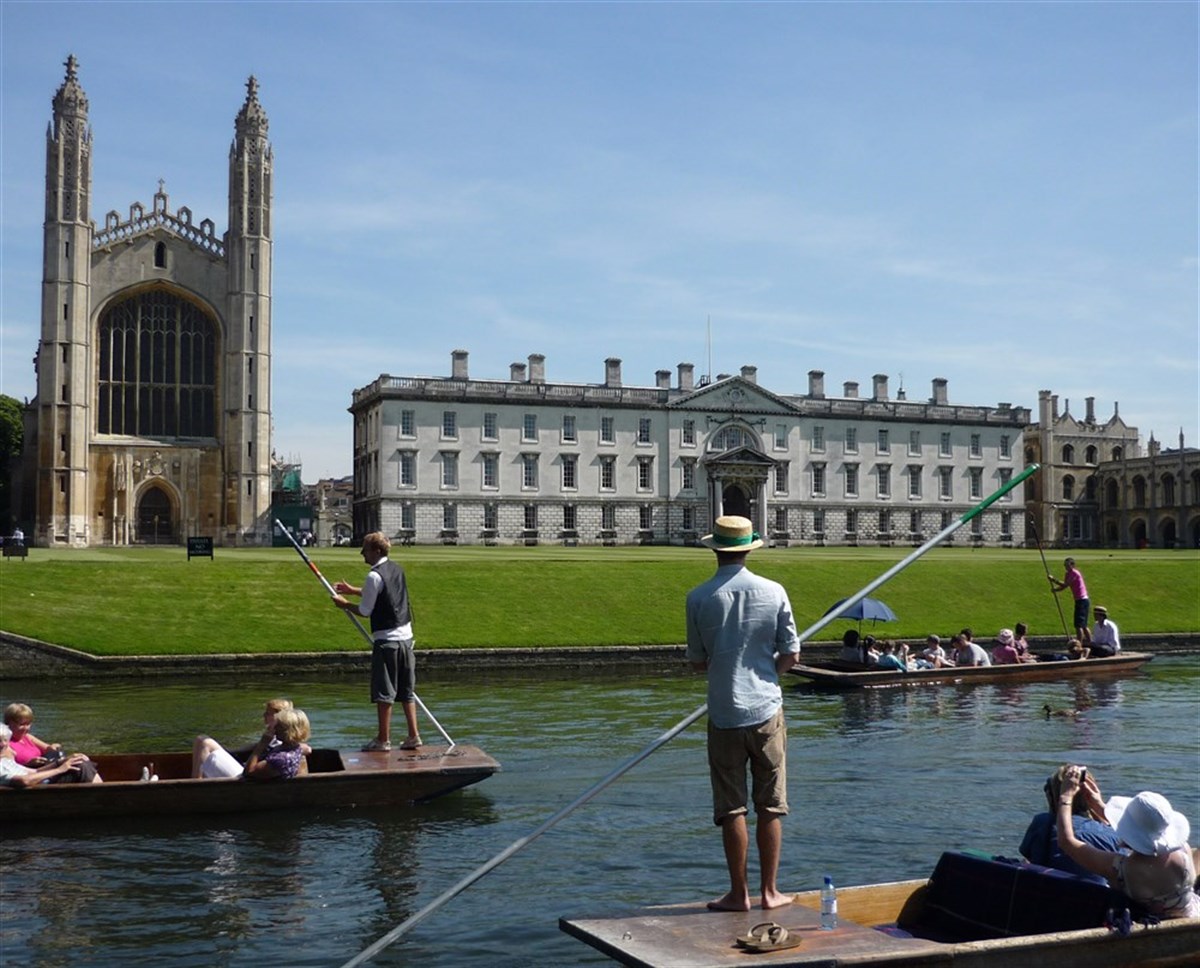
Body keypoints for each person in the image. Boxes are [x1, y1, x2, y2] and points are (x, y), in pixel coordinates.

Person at [685, 515, 801, 912]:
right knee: (770, 805)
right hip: (767, 708)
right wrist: (768, 672)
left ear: (715, 549)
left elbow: (698, 663)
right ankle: (770, 892)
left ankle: (739, 894)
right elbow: (791, 654)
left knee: (731, 806)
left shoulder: (698, 597)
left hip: (723, 713)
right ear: (749, 548)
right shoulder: (775, 590)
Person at [1055, 765, 1200, 919]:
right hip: (1194, 915)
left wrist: (1065, 797)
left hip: (1154, 928)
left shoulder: (1122, 869)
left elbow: (1067, 842)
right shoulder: (1183, 848)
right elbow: (1146, 832)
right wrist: (1099, 804)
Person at [333, 531, 421, 752]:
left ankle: (383, 740)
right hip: (406, 639)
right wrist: (354, 591)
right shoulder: (397, 569)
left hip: (387, 642)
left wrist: (344, 604)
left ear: (377, 551)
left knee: (385, 693)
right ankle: (414, 736)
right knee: (406, 692)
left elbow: (365, 610)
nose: (362, 553)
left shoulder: (374, 576)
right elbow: (384, 594)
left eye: (366, 549)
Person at [1019, 765, 1123, 884]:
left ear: (1052, 795)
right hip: (1095, 899)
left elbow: (1031, 860)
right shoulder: (1114, 836)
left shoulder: (1043, 823)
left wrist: (1065, 797)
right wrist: (1100, 806)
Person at [191, 697, 300, 779]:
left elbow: (303, 748)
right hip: (244, 771)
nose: (264, 716)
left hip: (245, 778)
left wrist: (263, 743)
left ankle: (195, 784)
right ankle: (195, 780)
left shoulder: (280, 738)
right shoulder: (271, 736)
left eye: (267, 713)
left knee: (205, 743)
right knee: (201, 739)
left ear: (277, 716)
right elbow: (249, 748)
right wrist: (225, 751)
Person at [0, 723, 101, 785]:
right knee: (80, 767)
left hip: (42, 780)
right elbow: (24, 781)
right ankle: (104, 796)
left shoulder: (5, 761)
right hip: (39, 788)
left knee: (78, 760)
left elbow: (35, 771)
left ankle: (103, 794)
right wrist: (59, 770)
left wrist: (61, 762)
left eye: (5, 740)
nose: (4, 744)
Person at [244, 708, 311, 781]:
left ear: (287, 730)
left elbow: (249, 772)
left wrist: (262, 744)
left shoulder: (281, 759)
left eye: (278, 725)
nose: (274, 728)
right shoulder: (297, 748)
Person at [4, 702, 67, 766]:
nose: (25, 728)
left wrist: (54, 747)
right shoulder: (4, 743)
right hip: (29, 773)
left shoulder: (28, 737)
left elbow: (47, 749)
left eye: (28, 724)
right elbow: (7, 770)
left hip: (45, 769)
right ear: (9, 723)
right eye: (21, 724)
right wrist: (28, 764)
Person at [1049, 558, 1091, 644]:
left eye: (1067, 565)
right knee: (1082, 625)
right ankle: (1088, 642)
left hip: (1082, 600)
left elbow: (1066, 584)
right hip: (1079, 600)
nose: (1065, 567)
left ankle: (1080, 644)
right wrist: (1055, 590)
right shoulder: (1067, 574)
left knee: (1079, 625)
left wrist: (1053, 580)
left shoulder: (1075, 573)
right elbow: (1064, 587)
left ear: (1072, 565)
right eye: (1064, 565)